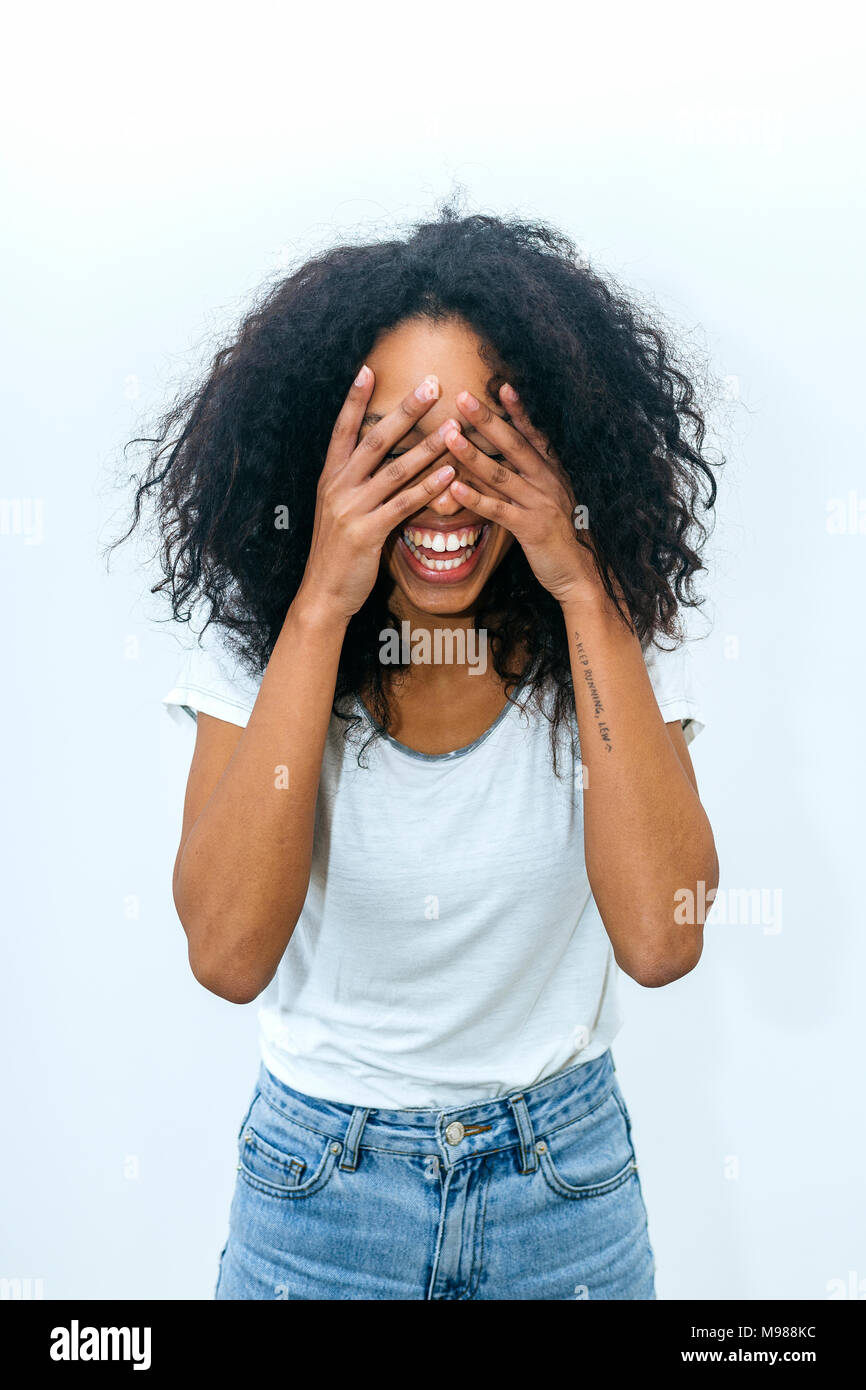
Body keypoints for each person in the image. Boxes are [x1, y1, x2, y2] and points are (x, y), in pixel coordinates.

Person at [124, 208, 720, 1300]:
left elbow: (660, 937)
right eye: (395, 446)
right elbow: (225, 955)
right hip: (319, 1202)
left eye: (481, 446)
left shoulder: (611, 628)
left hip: (563, 1193)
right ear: (323, 454)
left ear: (552, 449)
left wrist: (582, 588)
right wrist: (321, 603)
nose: (441, 490)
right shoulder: (260, 633)